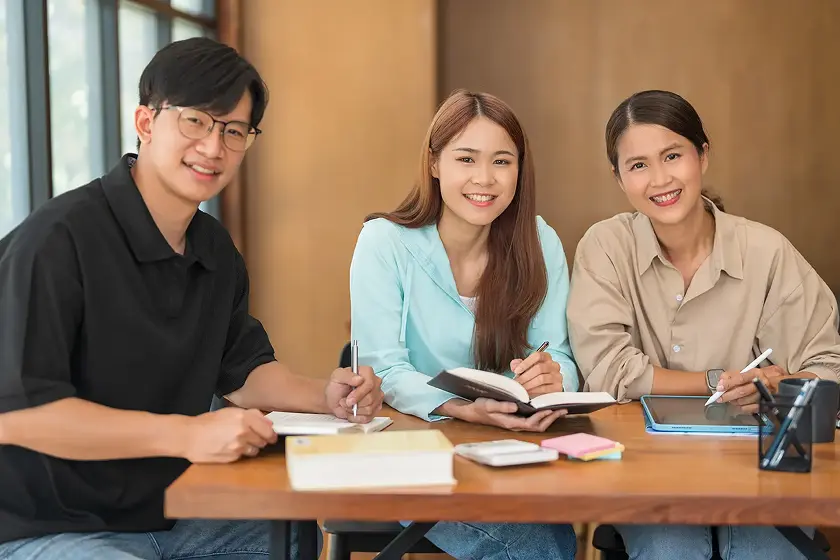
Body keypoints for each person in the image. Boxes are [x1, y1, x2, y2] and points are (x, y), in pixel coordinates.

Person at [0, 37, 383, 560]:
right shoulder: (56, 241)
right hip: (42, 523)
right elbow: (19, 414)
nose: (213, 147)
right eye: (196, 121)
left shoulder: (214, 249)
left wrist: (327, 396)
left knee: (291, 537)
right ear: (146, 122)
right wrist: (185, 435)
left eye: (233, 130)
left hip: (165, 509)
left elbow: (243, 372)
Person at [567, 89, 840, 560]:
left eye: (673, 155)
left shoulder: (767, 251)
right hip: (644, 464)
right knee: (670, 547)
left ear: (703, 156)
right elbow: (608, 371)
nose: (660, 179)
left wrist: (782, 386)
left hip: (758, 462)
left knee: (762, 550)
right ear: (619, 178)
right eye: (638, 165)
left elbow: (828, 366)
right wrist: (717, 381)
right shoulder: (606, 246)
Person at [349, 89, 579, 560]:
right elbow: (382, 370)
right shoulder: (384, 243)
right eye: (466, 159)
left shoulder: (540, 240)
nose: (484, 178)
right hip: (411, 451)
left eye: (502, 162)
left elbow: (559, 353)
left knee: (557, 536)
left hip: (514, 447)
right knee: (536, 546)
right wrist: (463, 408)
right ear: (435, 163)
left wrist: (552, 379)